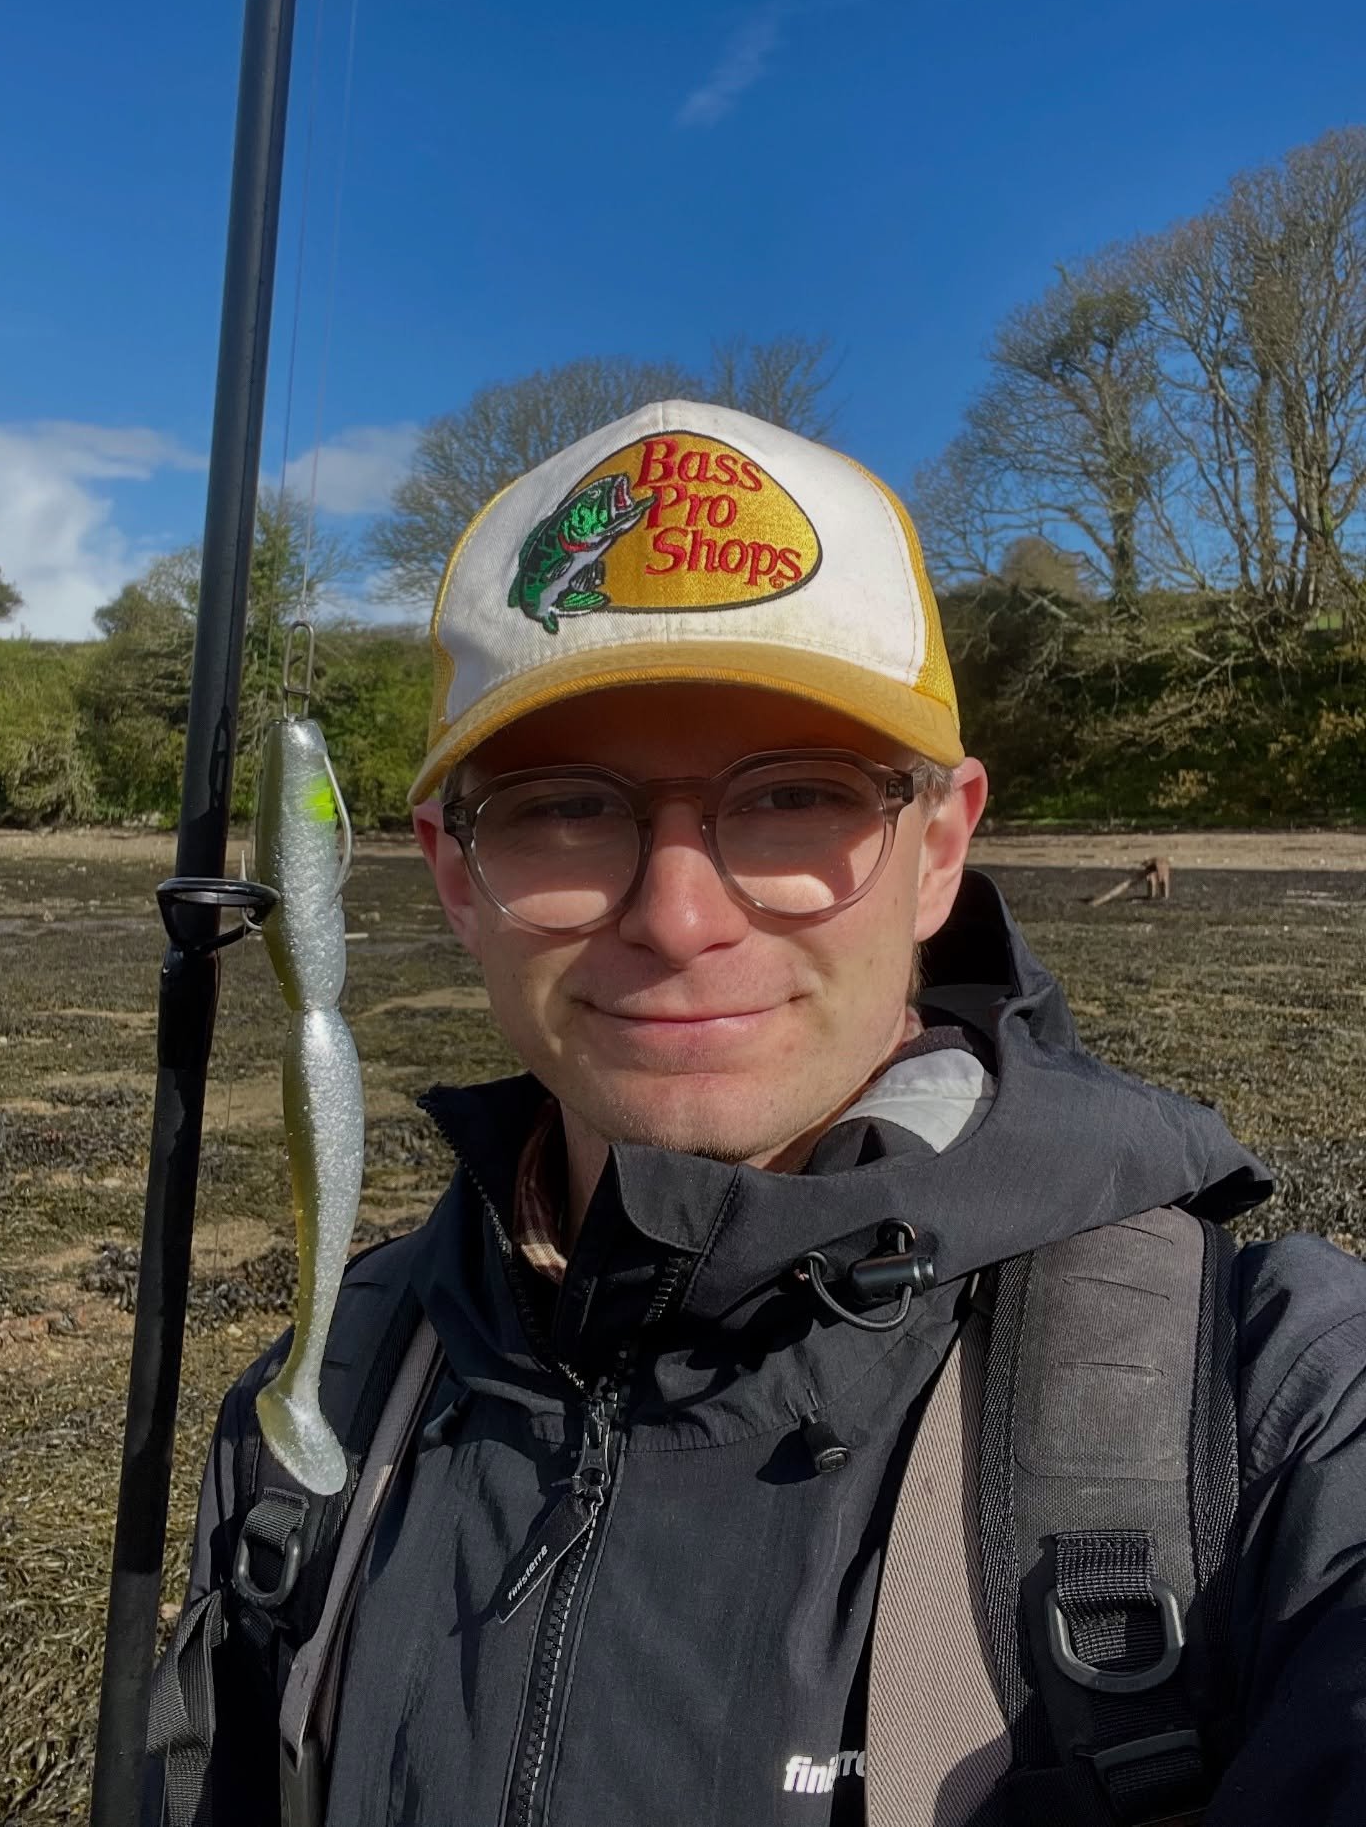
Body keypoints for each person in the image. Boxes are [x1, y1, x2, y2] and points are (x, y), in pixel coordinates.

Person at [147, 402, 1366, 1826]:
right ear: (454, 875)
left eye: (795, 796)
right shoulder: (318, 1410)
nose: (677, 917)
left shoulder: (1273, 1413)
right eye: (565, 808)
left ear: (940, 849)